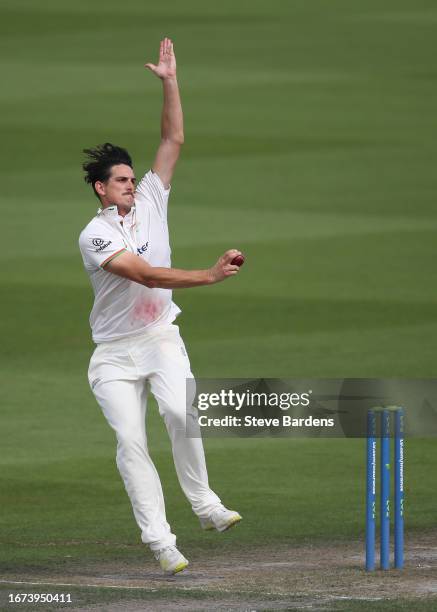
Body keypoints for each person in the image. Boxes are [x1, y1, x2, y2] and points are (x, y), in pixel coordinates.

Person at [78, 38, 242, 575]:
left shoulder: (151, 198)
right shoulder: (94, 237)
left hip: (160, 337)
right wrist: (210, 275)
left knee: (181, 412)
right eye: (121, 181)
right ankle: (161, 543)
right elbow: (145, 274)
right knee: (131, 443)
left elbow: (173, 137)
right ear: (102, 190)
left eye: (132, 178)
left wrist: (170, 81)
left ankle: (205, 505)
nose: (131, 186)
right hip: (115, 354)